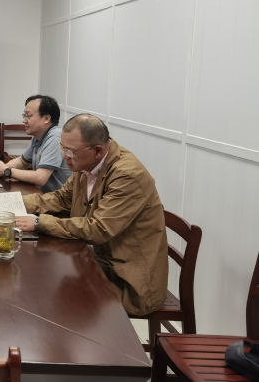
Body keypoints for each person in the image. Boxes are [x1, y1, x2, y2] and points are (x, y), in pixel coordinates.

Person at [15, 113, 168, 317]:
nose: (64, 157)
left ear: (97, 150)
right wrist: (14, 203)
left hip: (128, 279)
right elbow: (61, 198)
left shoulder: (127, 175)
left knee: (46, 289)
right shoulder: (87, 164)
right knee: (40, 275)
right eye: (62, 148)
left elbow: (98, 229)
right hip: (103, 258)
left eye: (70, 151)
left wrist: (39, 222)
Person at [0, 94, 71, 193]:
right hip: (43, 194)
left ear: (46, 118)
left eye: (29, 116)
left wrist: (6, 171)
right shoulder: (38, 136)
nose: (24, 120)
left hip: (58, 200)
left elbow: (40, 178)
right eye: (24, 115)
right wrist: (2, 168)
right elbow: (23, 162)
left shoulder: (56, 137)